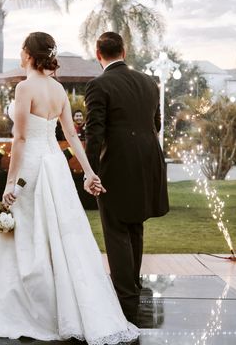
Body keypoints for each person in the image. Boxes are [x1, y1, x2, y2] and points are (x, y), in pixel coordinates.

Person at [0, 32, 138, 344]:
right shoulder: (58, 89)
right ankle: (67, 307)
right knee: (60, 235)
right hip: (55, 165)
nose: (19, 53)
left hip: (31, 165)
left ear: (30, 54)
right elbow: (72, 136)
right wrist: (88, 172)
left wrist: (9, 182)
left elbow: (19, 139)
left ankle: (30, 309)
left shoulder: (24, 87)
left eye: (22, 49)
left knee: (28, 234)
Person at [84, 31, 169, 323]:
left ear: (98, 54)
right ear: (124, 50)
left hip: (118, 164)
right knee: (135, 226)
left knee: (117, 228)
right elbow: (155, 124)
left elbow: (94, 133)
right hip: (149, 161)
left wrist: (90, 170)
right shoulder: (149, 82)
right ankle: (132, 285)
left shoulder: (99, 84)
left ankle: (125, 299)